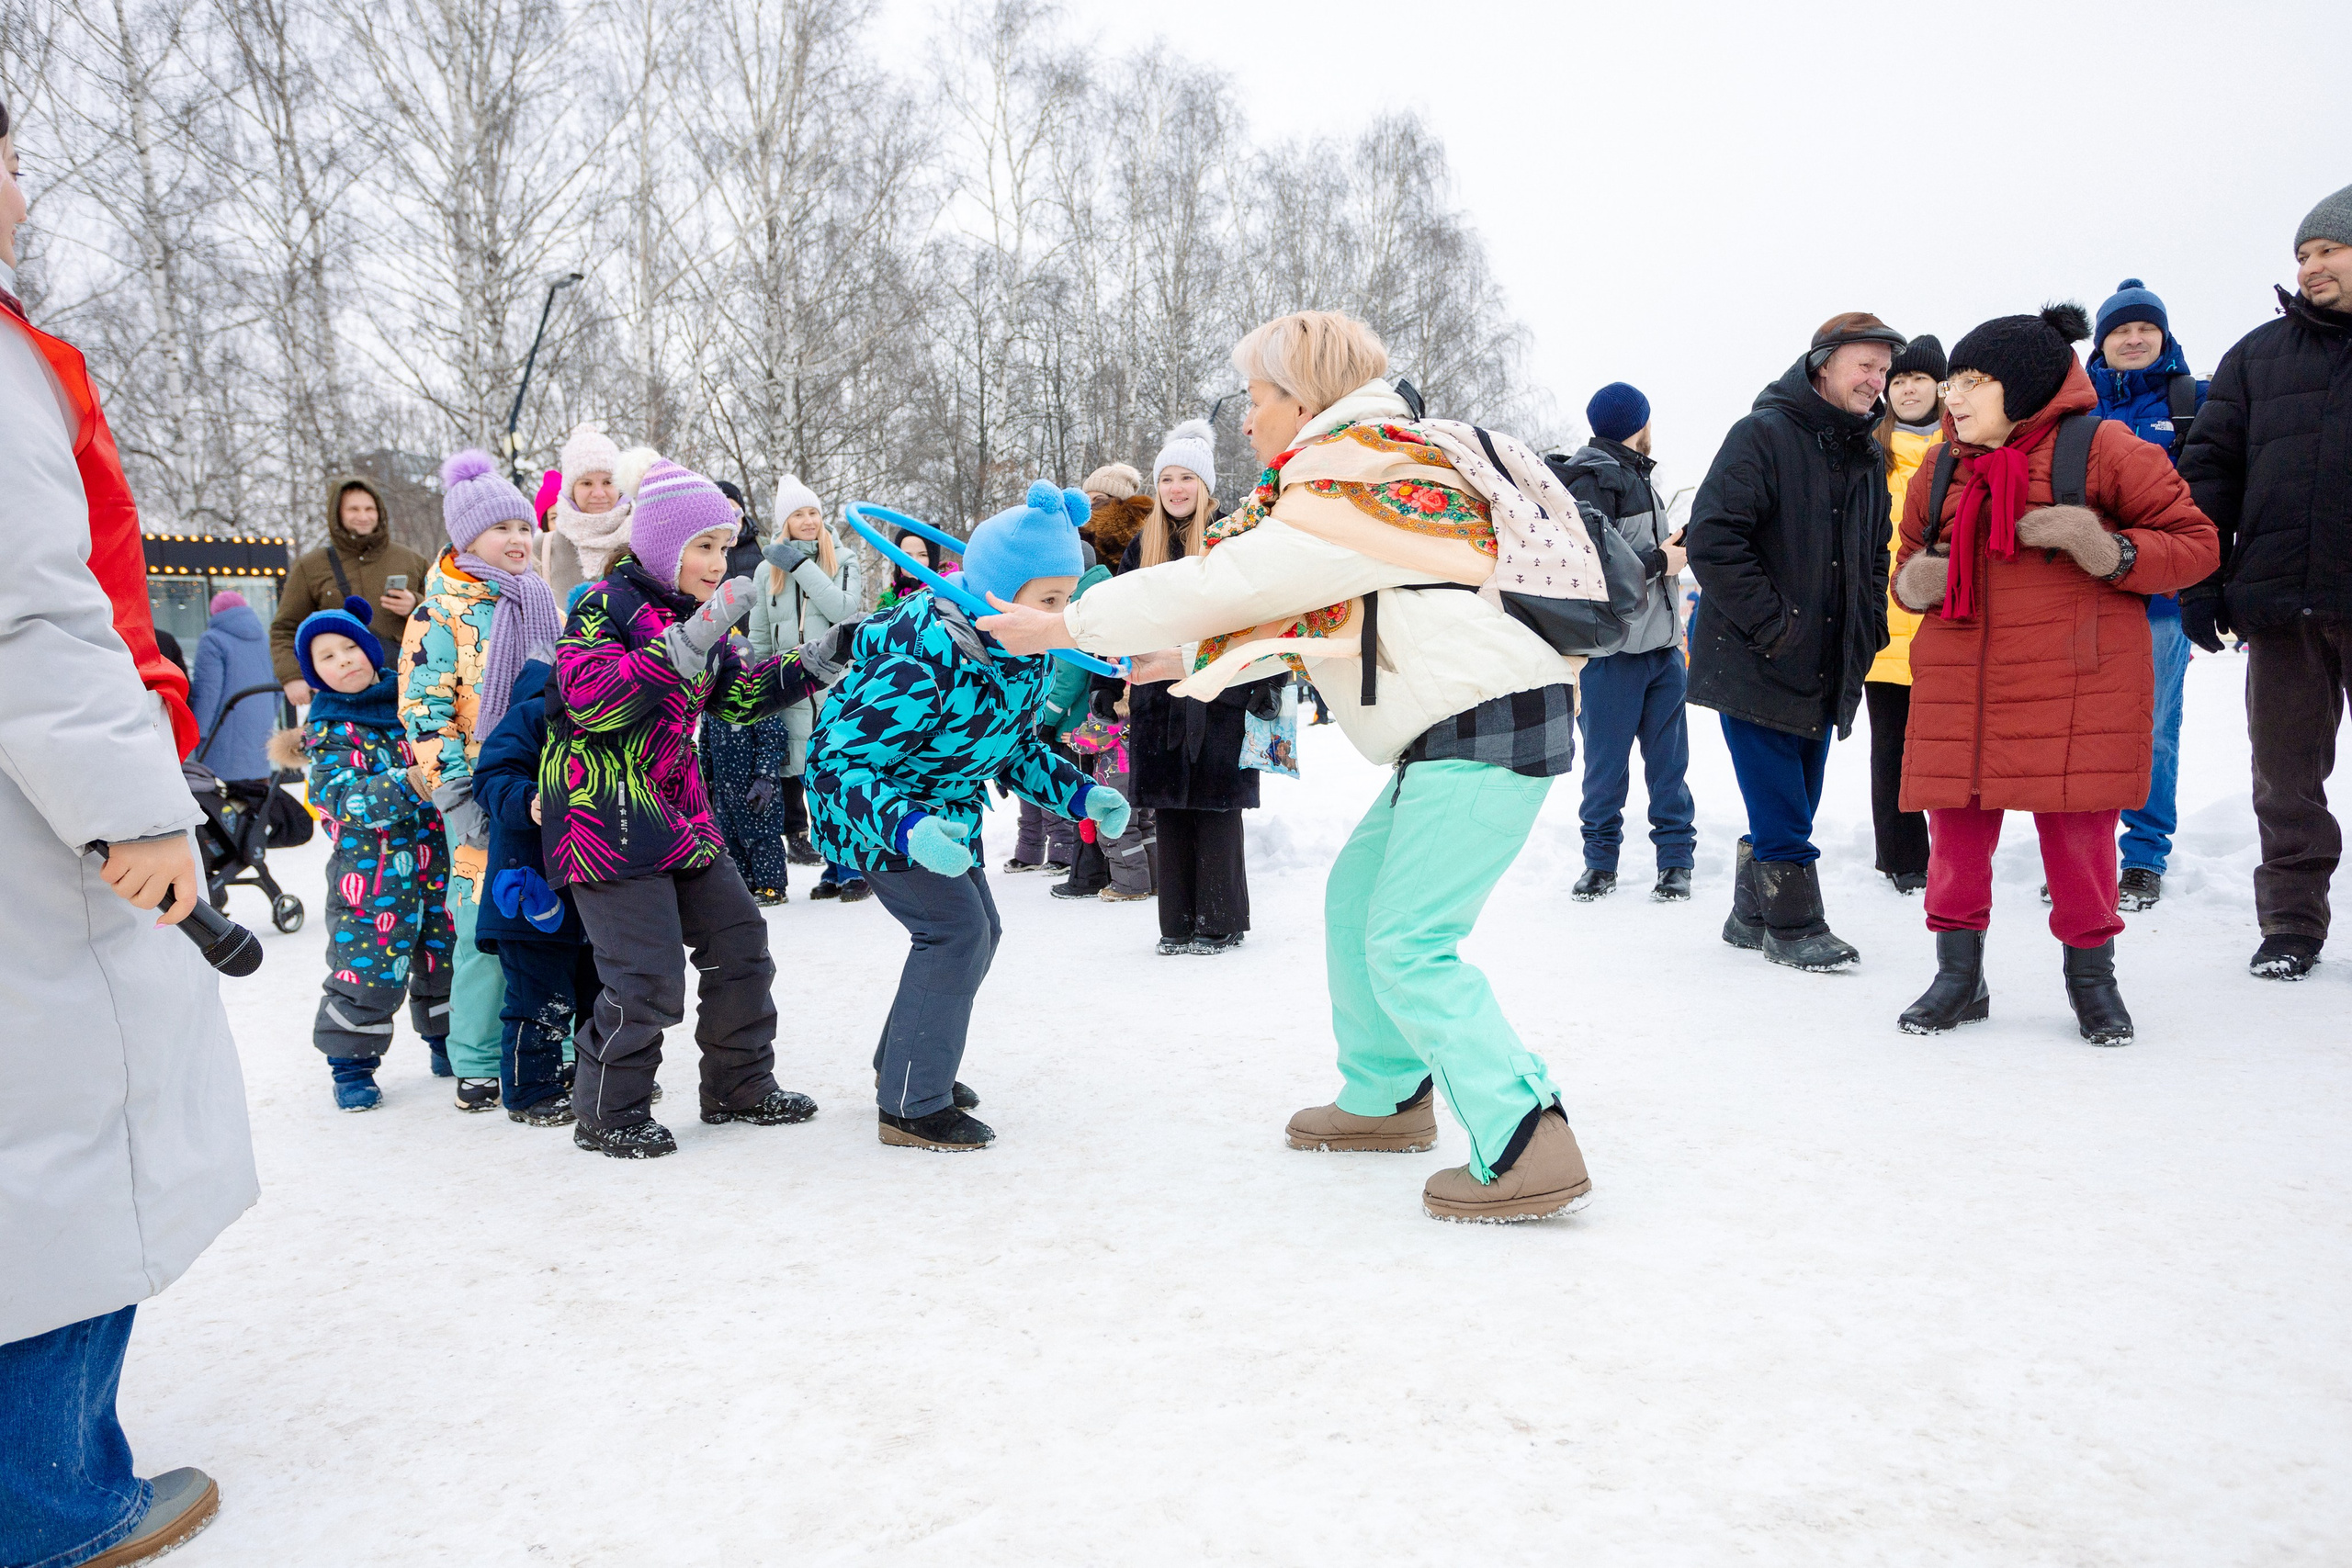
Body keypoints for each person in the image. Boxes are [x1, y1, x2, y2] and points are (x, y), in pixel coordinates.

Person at [981, 310, 1595, 1224]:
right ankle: (1385, 1095)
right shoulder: (1366, 477)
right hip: (1456, 725)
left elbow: (1228, 585)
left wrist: (1064, 627)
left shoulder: (1355, 477)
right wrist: (1185, 661)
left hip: (1485, 724)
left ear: (1303, 398)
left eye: (1258, 396)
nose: (1246, 417)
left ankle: (1523, 1135)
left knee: (1407, 939)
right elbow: (1324, 617)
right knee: (1358, 902)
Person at [1, 97, 254, 1567]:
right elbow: (32, 606)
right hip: (42, 822)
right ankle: (52, 1496)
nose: (24, 198)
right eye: (15, 167)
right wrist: (136, 811)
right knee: (70, 1143)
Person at [1891, 305, 2216, 1044]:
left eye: (1974, 381)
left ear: (2026, 386)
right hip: (1963, 682)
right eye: (1952, 383)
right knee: (1958, 836)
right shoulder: (1940, 467)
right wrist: (1921, 580)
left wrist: (2104, 547)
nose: (1955, 398)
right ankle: (1958, 976)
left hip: (2072, 681)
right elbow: (1905, 562)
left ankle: (2092, 980)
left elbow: (2195, 543)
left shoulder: (2104, 448)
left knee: (2079, 838)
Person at [544, 458, 855, 1157]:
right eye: (704, 546)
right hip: (606, 819)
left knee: (741, 942)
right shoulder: (603, 606)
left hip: (678, 812)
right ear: (661, 545)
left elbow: (738, 695)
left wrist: (821, 658)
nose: (720, 561)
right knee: (645, 975)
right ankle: (607, 1111)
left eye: (725, 545)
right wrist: (685, 644)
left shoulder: (697, 615)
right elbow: (592, 700)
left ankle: (738, 1084)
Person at [807, 480, 1125, 1152]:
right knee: (954, 932)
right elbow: (840, 763)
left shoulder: (1021, 655)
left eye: (1066, 601)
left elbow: (1014, 749)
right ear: (996, 593)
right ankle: (912, 1105)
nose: (1057, 616)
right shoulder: (924, 656)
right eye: (1047, 600)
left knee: (981, 930)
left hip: (942, 816)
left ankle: (906, 1062)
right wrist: (909, 829)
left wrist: (1080, 794)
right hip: (879, 811)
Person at [1687, 311, 1907, 971]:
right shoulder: (1762, 434)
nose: (1878, 380)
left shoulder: (1867, 454)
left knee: (1796, 797)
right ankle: (1793, 923)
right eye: (1865, 365)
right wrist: (1774, 625)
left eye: (1884, 370)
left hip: (1825, 657)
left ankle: (1749, 912)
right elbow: (1713, 539)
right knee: (1783, 801)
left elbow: (1876, 553)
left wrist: (1868, 625)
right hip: (1754, 654)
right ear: (1823, 365)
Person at [2180, 183, 2352, 980]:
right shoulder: (2257, 355)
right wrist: (2201, 580)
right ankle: (2290, 923)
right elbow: (2209, 473)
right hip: (2281, 603)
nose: (2311, 267)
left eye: (2329, 250)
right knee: (2284, 777)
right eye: (2303, 255)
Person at [401, 451, 563, 1113]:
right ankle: (475, 1059)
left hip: (542, 790)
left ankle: (555, 1049)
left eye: (525, 528)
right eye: (503, 530)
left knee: (553, 920)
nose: (519, 541)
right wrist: (458, 797)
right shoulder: (437, 615)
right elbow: (424, 713)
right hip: (474, 797)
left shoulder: (541, 602)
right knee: (483, 928)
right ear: (468, 539)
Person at [276, 596, 455, 1107]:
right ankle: (351, 1066)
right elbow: (343, 798)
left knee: (445, 960)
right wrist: (410, 783)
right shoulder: (328, 733)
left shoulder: (409, 707)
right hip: (372, 883)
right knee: (367, 971)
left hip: (437, 868)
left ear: (372, 651)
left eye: (350, 647)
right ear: (315, 674)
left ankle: (449, 1044)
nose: (343, 661)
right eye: (327, 657)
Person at [1124, 419, 1279, 955]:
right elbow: (1119, 615)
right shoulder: (1141, 545)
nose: (1175, 490)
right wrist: (1107, 682)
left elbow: (1268, 610)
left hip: (1222, 689)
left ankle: (1219, 920)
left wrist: (1267, 681)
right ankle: (1176, 924)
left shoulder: (1234, 536)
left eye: (1186, 478)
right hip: (1158, 697)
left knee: (1215, 810)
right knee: (1170, 812)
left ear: (1205, 485)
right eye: (1166, 479)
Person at [1547, 381, 1695, 903]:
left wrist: (1670, 550)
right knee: (1606, 771)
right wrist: (1664, 561)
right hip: (1610, 658)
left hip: (1660, 652)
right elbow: (1593, 571)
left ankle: (1676, 863)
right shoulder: (1592, 480)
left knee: (1669, 767)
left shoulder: (1637, 475)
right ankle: (1600, 864)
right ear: (1640, 423)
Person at [2088, 280, 2209, 913]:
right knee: (2083, 728)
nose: (2134, 339)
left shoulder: (2195, 403)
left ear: (2163, 337)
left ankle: (2143, 856)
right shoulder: (2076, 410)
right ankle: (2081, 852)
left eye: (2146, 330)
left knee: (2155, 730)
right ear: (2102, 342)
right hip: (2085, 599)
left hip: (2163, 601)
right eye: (2120, 331)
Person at [470, 653, 593, 1126]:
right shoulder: (530, 717)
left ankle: (595, 1072)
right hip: (526, 893)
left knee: (596, 993)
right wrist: (528, 799)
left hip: (589, 893)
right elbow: (492, 777)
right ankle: (529, 1091)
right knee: (537, 1002)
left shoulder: (608, 717)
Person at [750, 474, 870, 899]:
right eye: (798, 514)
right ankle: (833, 866)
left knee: (840, 773)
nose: (807, 520)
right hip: (790, 687)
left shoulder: (844, 558)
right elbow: (761, 637)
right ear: (784, 522)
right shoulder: (767, 570)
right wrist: (758, 686)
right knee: (809, 777)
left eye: (813, 512)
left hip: (837, 683)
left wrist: (801, 567)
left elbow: (842, 609)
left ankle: (853, 867)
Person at [1862, 334, 1947, 893]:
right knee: (1891, 747)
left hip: (1947, 623)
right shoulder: (1869, 449)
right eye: (1898, 380)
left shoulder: (1966, 447)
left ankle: (1957, 850)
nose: (1907, 388)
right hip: (1885, 626)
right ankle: (1902, 858)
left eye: (1918, 378)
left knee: (1948, 748)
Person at [700, 479, 794, 903]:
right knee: (731, 835)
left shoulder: (755, 701)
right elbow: (704, 744)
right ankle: (744, 885)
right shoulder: (711, 705)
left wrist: (766, 775)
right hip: (725, 784)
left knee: (762, 834)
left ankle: (772, 882)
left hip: (757, 784)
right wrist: (704, 776)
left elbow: (772, 737)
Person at [270, 472, 429, 707]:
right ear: (337, 514)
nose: (363, 516)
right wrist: (292, 676)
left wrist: (415, 604)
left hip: (409, 687)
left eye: (369, 509)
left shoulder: (411, 560)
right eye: (353, 509)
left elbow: (447, 614)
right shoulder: (311, 566)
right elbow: (285, 628)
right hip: (343, 694)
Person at [188, 588, 277, 784]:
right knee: (258, 800)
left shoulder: (212, 640)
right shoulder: (265, 640)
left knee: (222, 802)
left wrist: (198, 734)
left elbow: (208, 692)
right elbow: (276, 689)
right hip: (261, 732)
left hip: (222, 735)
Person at [543, 421, 632, 600]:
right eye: (586, 483)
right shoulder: (542, 549)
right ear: (570, 489)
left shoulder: (644, 540)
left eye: (608, 482)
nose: (599, 493)